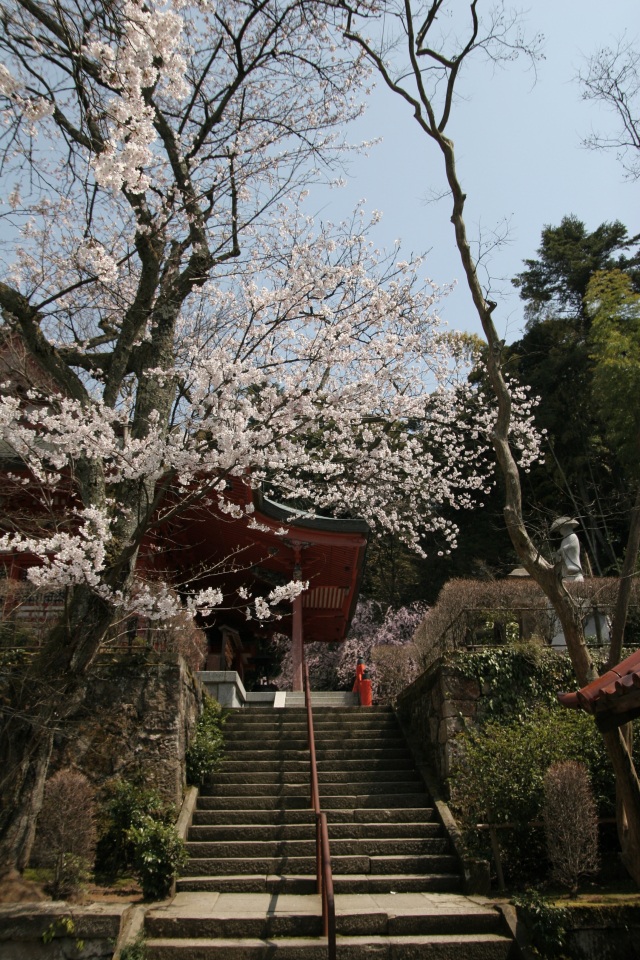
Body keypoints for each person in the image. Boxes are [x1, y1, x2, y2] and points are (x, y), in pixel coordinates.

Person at [550, 517, 584, 582]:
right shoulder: (564, 540)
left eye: (561, 529)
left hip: (572, 561)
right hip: (565, 564)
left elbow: (572, 546)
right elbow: (562, 548)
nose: (560, 531)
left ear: (566, 528)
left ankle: (575, 574)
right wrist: (557, 553)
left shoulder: (573, 536)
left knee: (572, 569)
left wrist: (561, 550)